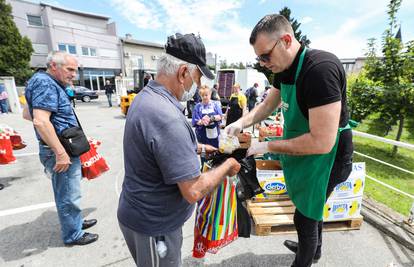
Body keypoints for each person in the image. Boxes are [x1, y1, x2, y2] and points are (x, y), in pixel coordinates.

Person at [225, 14, 353, 267]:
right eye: (258, 58)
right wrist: (242, 122)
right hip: (310, 154)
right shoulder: (283, 68)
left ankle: (304, 260)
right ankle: (313, 250)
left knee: (304, 217)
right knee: (311, 208)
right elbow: (268, 104)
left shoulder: (320, 70)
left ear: (285, 40)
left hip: (330, 158)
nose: (262, 64)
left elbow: (321, 143)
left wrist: (265, 146)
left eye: (265, 56)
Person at [117, 33, 240, 267]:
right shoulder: (167, 117)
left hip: (141, 215)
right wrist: (228, 166)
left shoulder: (147, 97)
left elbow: (157, 146)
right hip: (154, 227)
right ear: (183, 72)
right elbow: (193, 190)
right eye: (198, 77)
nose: (200, 86)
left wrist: (198, 147)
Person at [23, 51, 98, 246]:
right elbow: (40, 121)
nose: (74, 74)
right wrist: (60, 151)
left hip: (63, 145)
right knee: (67, 194)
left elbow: (27, 114)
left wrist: (57, 127)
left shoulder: (42, 81)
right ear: (54, 66)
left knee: (69, 191)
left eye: (76, 70)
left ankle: (76, 222)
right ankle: (73, 234)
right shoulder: (45, 83)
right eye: (70, 69)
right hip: (59, 150)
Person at [192, 85, 223, 168]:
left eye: (206, 95)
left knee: (215, 152)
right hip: (202, 136)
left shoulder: (215, 104)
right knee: (203, 153)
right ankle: (204, 167)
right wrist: (202, 121)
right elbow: (195, 121)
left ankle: (215, 169)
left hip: (214, 136)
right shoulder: (198, 107)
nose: (205, 97)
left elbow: (220, 116)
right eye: (202, 95)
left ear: (210, 94)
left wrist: (211, 118)